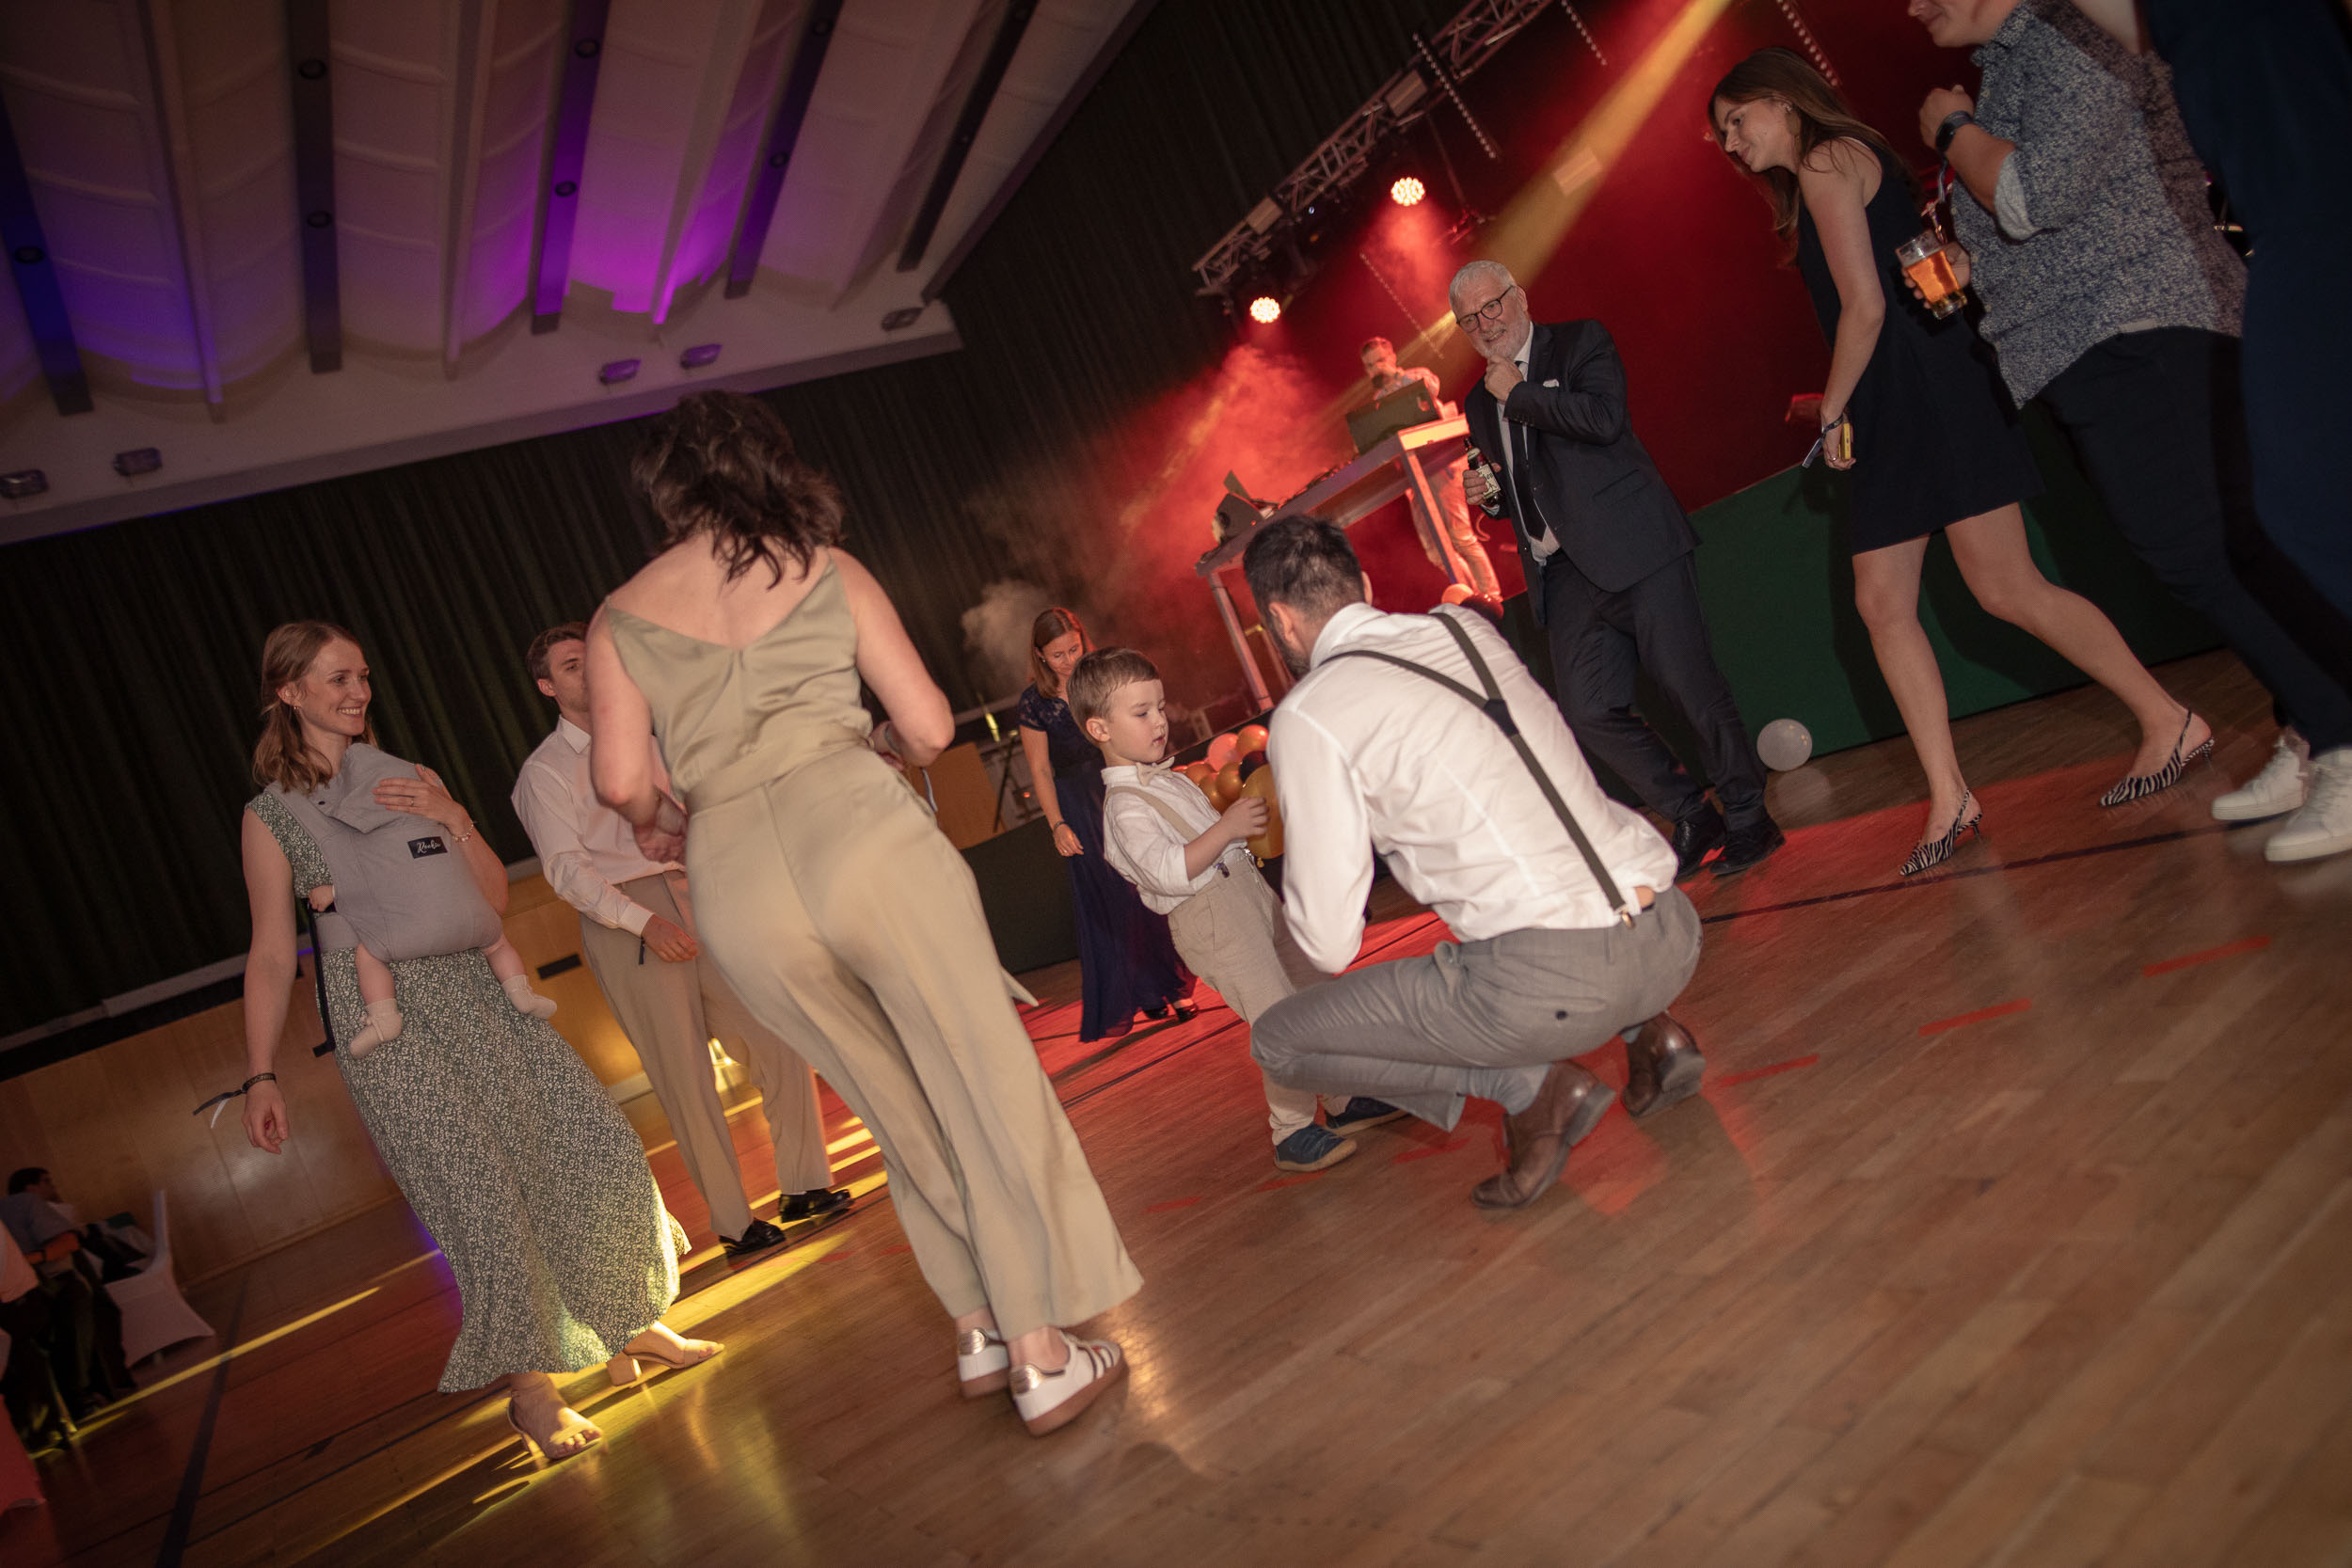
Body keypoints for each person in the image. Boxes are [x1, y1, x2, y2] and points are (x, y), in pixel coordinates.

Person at [586, 389, 1137, 1438]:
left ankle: (978, 1326)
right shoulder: (824, 567)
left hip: (736, 871)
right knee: (977, 1080)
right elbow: (927, 727)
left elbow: (619, 783)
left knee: (891, 1106)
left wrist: (670, 816)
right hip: (861, 835)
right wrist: (866, 740)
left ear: (664, 491)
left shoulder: (618, 617)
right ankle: (1042, 1351)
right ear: (766, 462)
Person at [1709, 49, 2204, 874]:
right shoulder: (1829, 170)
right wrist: (1843, 401)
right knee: (1881, 602)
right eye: (1722, 133)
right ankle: (1950, 796)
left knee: (2006, 587)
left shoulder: (1828, 160)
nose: (1731, 143)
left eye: (1738, 120)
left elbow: (1867, 306)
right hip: (1901, 397)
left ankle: (2167, 718)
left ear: (1784, 103)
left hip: (1928, 392)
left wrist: (1833, 409)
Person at [237, 622, 710, 1462]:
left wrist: (452, 814)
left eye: (363, 676)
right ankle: (533, 1393)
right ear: (289, 691)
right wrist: (259, 1073)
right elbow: (273, 953)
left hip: (479, 989)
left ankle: (629, 1322)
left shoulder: (413, 778)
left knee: (590, 1145)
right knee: (481, 1194)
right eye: (338, 678)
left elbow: (493, 896)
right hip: (388, 1018)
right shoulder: (271, 816)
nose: (359, 692)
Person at [1907, 0, 2352, 863]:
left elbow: (2034, 196)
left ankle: (2339, 732)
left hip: (2143, 326)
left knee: (2209, 548)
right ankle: (2310, 727)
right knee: (2211, 552)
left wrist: (1953, 130)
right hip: (2081, 346)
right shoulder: (2012, 65)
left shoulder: (2070, 37)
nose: (1914, 7)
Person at [1242, 517, 1708, 1210]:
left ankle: (1534, 1090)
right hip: (1673, 931)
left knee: (1278, 1041)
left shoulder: (1308, 714)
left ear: (1280, 621)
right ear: (1362, 585)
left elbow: (1330, 944)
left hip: (1560, 986)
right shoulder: (1465, 629)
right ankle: (1657, 1035)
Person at [513, 624, 847, 1260]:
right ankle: (734, 1223)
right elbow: (567, 873)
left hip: (698, 896)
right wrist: (645, 921)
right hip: (628, 922)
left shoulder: (650, 740)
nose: (591, 671)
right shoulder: (545, 772)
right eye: (573, 665)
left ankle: (804, 1186)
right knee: (685, 1077)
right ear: (547, 686)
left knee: (778, 1034)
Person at [1452, 260, 1784, 879]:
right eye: (1469, 319)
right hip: (1562, 571)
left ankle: (1748, 814)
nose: (1485, 323)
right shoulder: (1476, 401)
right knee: (1588, 712)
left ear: (1519, 297)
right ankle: (1692, 813)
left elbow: (1604, 421)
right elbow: (1520, 482)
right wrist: (1489, 497)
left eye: (1491, 306)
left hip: (1635, 546)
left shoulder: (1579, 342)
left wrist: (1519, 395)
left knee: (1689, 684)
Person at [1072, 645, 1406, 1174]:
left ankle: (1342, 1100)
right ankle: (1291, 1130)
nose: (1159, 721)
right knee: (1280, 1018)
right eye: (1141, 713)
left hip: (1249, 898)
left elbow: (1218, 843)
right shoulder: (1125, 808)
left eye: (1160, 706)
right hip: (1211, 920)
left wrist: (1243, 828)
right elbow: (1167, 871)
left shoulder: (1167, 778)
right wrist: (1227, 828)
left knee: (1313, 989)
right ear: (1099, 729)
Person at [302, 740, 559, 1056]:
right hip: (474, 921)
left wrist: (333, 891)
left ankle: (384, 1018)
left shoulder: (374, 840)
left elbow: (372, 879)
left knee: (369, 955)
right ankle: (521, 991)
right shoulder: (433, 817)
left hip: (409, 933)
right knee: (498, 944)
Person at [1015, 608, 1194, 1041]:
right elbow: (1040, 770)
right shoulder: (1034, 703)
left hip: (1120, 789)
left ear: (1083, 639)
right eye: (1057, 655)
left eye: (1074, 649)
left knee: (1145, 884)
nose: (1068, 661)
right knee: (1112, 900)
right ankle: (1145, 991)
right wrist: (1057, 824)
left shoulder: (1101, 681)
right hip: (1078, 806)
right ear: (1039, 655)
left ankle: (1174, 985)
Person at [1359, 335, 1502, 600]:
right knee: (1435, 550)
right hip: (1413, 476)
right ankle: (1473, 599)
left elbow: (1431, 389)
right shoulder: (1377, 400)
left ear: (1392, 357)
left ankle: (1492, 596)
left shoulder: (1417, 376)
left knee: (1460, 537)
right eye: (1370, 366)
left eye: (1380, 361)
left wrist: (1395, 376)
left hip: (1439, 465)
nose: (1376, 368)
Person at [0, 1170, 129, 1421]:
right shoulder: (21, 1206)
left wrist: (28, 1261)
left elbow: (69, 1242)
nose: (54, 1186)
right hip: (19, 1297)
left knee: (66, 1305)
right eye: (47, 1181)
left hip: (48, 1284)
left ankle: (74, 1397)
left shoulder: (22, 1205)